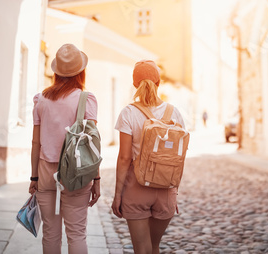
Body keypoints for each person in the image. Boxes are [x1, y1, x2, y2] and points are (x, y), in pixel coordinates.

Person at [29, 43, 101, 254]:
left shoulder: (41, 100)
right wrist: (96, 179)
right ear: (81, 71)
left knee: (50, 234)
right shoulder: (86, 100)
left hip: (45, 174)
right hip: (77, 174)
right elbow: (91, 144)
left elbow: (35, 144)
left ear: (56, 72)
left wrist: (34, 178)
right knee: (77, 234)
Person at [111, 60, 186, 254]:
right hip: (165, 189)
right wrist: (174, 191)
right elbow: (179, 156)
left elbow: (124, 158)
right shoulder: (174, 113)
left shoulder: (129, 113)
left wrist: (118, 195)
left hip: (137, 186)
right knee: (154, 247)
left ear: (135, 85)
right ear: (159, 82)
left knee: (141, 249)